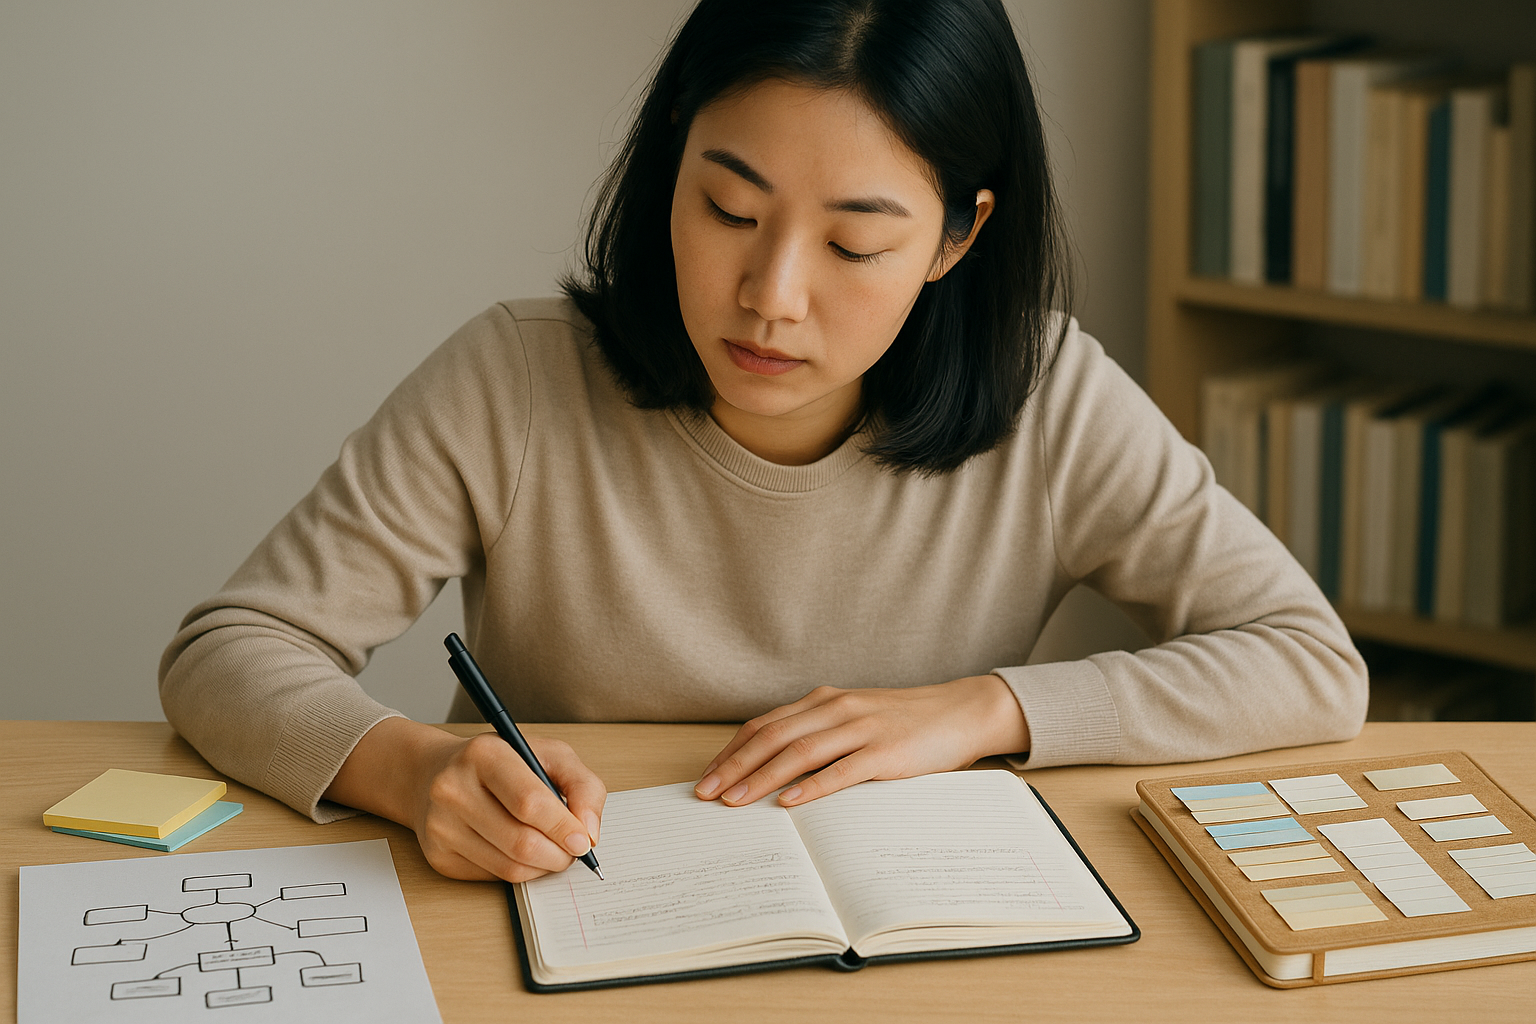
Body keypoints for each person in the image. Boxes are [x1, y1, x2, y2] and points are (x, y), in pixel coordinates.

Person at [160, 0, 1367, 886]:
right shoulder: (516, 380)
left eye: (854, 245)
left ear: (957, 238)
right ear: (671, 159)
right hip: (560, 917)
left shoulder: (1048, 396)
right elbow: (233, 649)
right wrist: (412, 769)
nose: (771, 295)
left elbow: (1308, 661)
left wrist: (978, 710)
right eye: (729, 210)